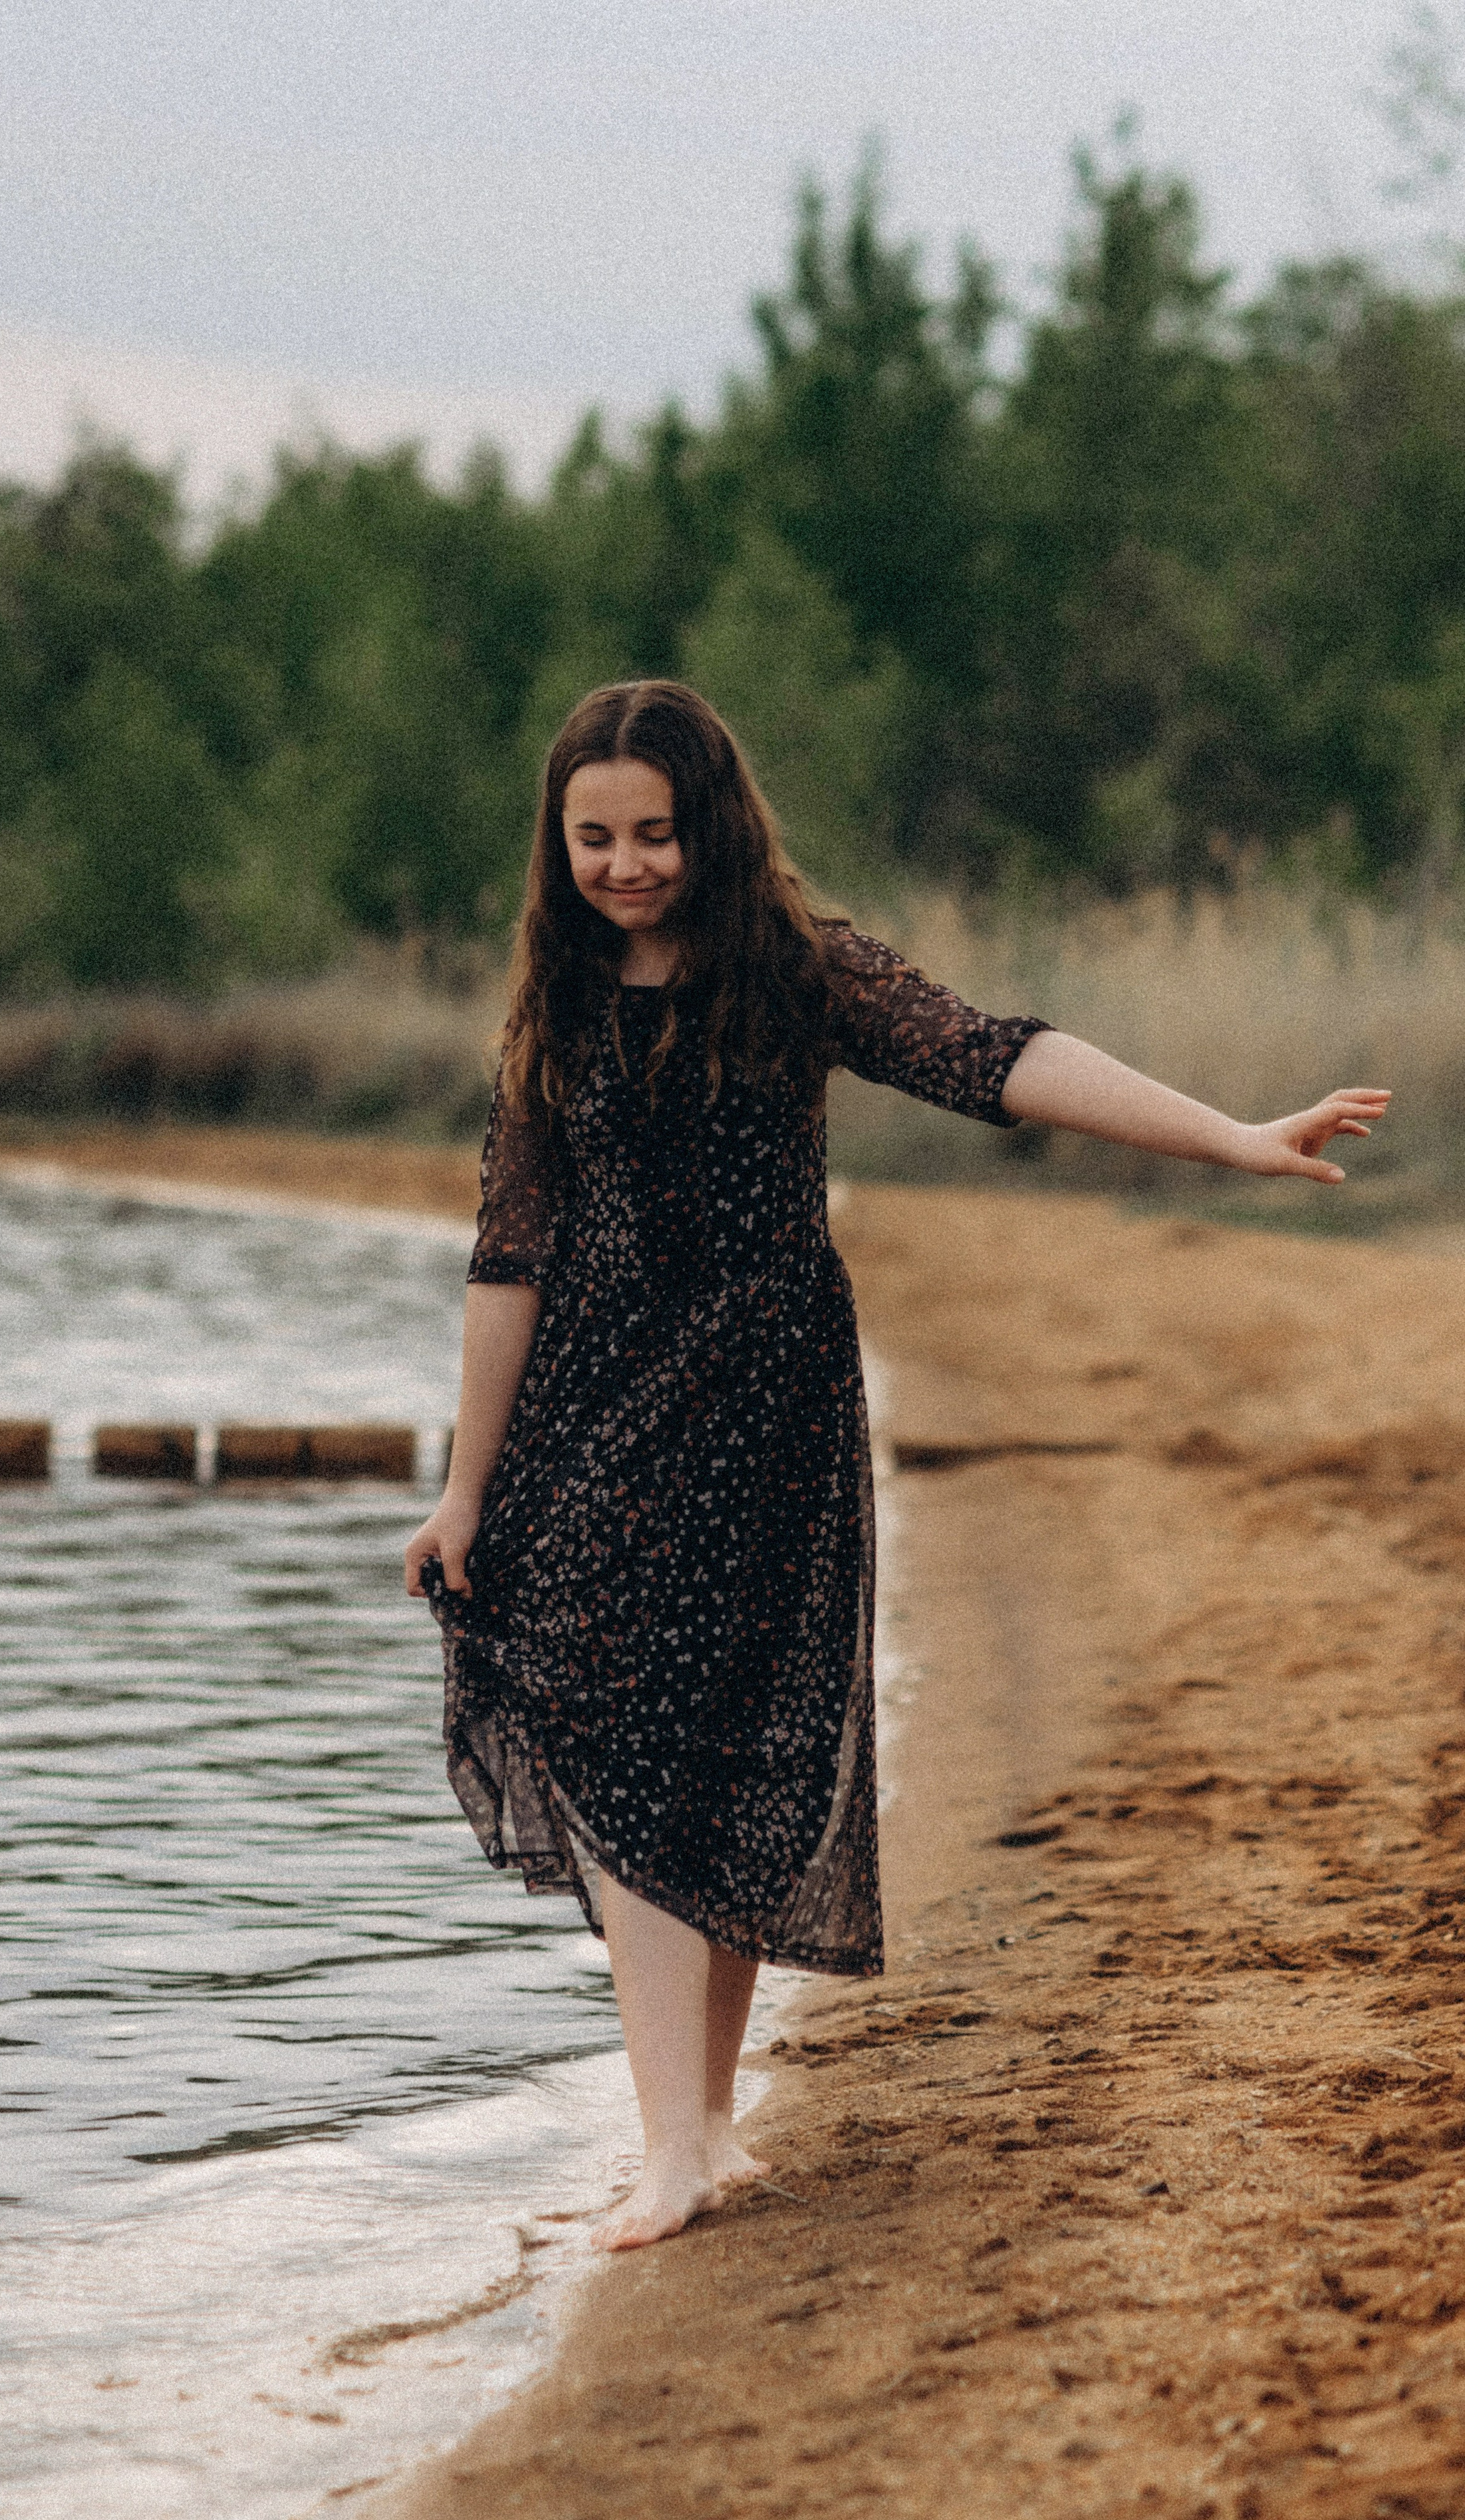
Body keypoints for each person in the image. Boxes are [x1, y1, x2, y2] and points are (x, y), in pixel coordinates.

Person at [404, 680, 1389, 2253]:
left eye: (654, 832)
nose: (625, 865)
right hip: (598, 1413)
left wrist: (1231, 1136)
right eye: (593, 837)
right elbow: (506, 1257)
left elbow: (994, 1058)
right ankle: (684, 2137)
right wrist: (467, 1488)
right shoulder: (555, 1008)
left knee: (708, 1743)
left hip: (764, 1407)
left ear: (709, 826)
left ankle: (689, 2142)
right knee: (625, 1741)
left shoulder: (790, 973)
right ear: (556, 842)